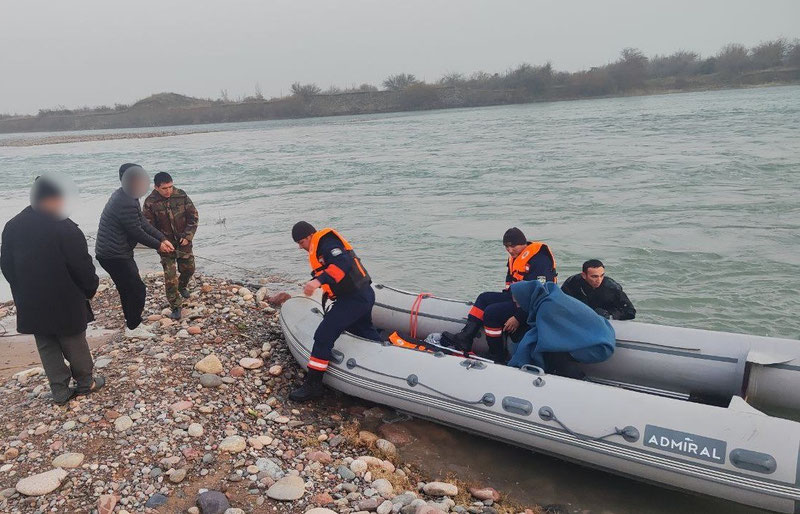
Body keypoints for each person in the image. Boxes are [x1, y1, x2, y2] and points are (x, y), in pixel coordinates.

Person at [1, 174, 104, 405]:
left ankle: (59, 390)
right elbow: (81, 265)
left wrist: (20, 289)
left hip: (31, 299)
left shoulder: (13, 225)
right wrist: (90, 288)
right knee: (73, 340)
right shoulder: (64, 226)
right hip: (64, 298)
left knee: (47, 343)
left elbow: (6, 264)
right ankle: (86, 383)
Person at [289, 221, 381, 402]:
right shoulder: (322, 246)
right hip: (361, 296)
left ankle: (313, 386)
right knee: (363, 331)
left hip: (354, 299)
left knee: (323, 336)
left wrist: (317, 282)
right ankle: (385, 358)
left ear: (309, 236)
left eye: (301, 242)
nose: (300, 247)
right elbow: (329, 269)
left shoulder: (327, 242)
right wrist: (316, 279)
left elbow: (342, 264)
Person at [441, 227, 557, 363]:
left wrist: (518, 317)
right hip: (517, 298)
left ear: (523, 243)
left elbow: (539, 294)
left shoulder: (539, 259)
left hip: (534, 305)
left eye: (513, 246)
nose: (509, 250)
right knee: (484, 298)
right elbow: (510, 284)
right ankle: (466, 337)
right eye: (507, 247)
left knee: (492, 313)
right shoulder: (514, 258)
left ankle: (497, 354)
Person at [95, 163, 174, 338]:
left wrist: (162, 238)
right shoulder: (124, 200)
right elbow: (135, 231)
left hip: (115, 252)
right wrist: (158, 245)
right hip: (113, 254)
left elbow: (142, 223)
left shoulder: (128, 195)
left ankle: (133, 324)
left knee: (128, 288)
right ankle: (133, 327)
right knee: (136, 289)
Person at [507, 280, 616, 378]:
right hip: (604, 335)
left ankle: (578, 379)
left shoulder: (547, 308)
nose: (518, 306)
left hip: (599, 346)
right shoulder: (551, 297)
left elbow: (543, 339)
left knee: (553, 353)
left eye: (518, 302)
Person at [143, 172, 199, 320]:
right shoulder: (150, 202)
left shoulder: (181, 195)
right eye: (164, 188)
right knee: (170, 277)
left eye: (170, 187)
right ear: (156, 187)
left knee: (189, 268)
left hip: (183, 242)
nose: (168, 191)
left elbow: (193, 217)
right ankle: (175, 306)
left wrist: (188, 236)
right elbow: (148, 227)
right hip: (164, 245)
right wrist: (159, 243)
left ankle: (183, 286)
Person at [560, 259, 636, 320]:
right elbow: (559, 304)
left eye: (602, 275)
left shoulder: (612, 288)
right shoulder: (572, 283)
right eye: (594, 276)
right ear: (584, 275)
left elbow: (630, 312)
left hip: (605, 320)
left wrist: (610, 315)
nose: (599, 280)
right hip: (579, 317)